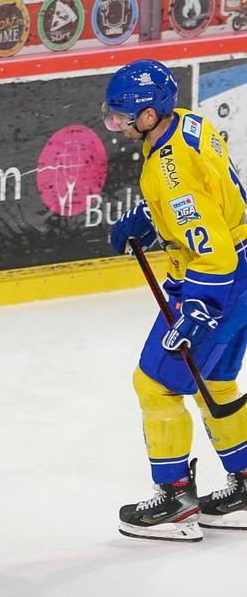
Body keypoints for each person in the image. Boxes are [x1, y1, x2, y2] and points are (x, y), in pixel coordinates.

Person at [106, 58, 247, 542]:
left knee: (154, 384)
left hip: (218, 281)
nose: (118, 122)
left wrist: (199, 309)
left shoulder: (172, 175)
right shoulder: (186, 123)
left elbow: (212, 249)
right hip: (243, 270)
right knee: (216, 383)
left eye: (125, 114)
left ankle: (175, 500)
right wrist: (151, 216)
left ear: (149, 114)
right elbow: (207, 193)